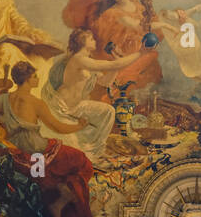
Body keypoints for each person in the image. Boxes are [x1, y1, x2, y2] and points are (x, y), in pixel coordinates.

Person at [0, 62, 95, 217]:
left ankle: (53, 203)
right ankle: (58, 204)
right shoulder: (36, 103)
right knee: (82, 162)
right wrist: (80, 125)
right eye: (35, 76)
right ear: (27, 79)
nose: (38, 78)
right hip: (38, 152)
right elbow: (58, 127)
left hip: (17, 153)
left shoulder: (3, 99)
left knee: (43, 182)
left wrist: (0, 117)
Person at [41, 28, 143, 158]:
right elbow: (112, 65)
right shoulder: (78, 59)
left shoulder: (88, 61)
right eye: (91, 39)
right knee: (72, 150)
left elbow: (106, 82)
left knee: (108, 112)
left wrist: (116, 64)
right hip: (60, 109)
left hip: (76, 107)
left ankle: (96, 151)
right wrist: (141, 52)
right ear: (82, 42)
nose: (94, 41)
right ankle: (87, 152)